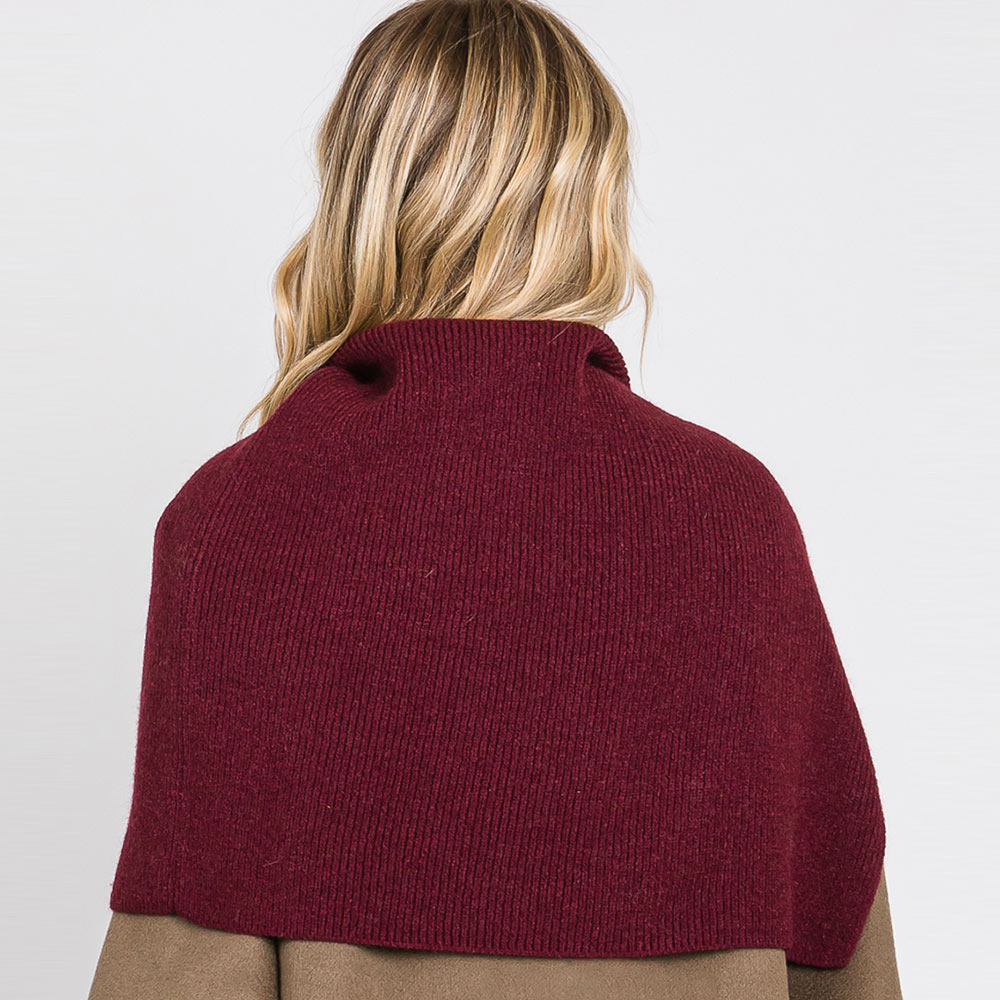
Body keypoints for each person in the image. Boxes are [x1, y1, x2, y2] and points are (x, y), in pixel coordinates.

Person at [88, 1, 903, 997]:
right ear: (588, 198)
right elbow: (835, 926)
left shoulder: (234, 519)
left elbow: (185, 957)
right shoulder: (731, 515)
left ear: (359, 195)